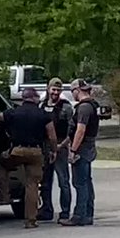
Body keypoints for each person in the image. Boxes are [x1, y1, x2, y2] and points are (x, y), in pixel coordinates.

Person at [0, 87, 56, 229]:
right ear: (34, 98)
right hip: (36, 153)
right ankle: (31, 220)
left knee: (2, 163)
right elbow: (52, 136)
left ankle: (4, 195)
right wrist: (53, 150)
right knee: (32, 185)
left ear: (23, 98)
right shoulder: (43, 114)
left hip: (17, 151)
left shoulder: (13, 112)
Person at [61, 78, 100, 227]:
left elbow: (80, 130)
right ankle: (88, 213)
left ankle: (79, 215)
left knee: (80, 183)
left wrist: (73, 150)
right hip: (89, 147)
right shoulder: (92, 106)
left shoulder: (83, 108)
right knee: (87, 182)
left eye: (73, 92)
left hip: (82, 149)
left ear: (77, 90)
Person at [39, 77, 74, 222]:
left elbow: (72, 130)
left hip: (61, 146)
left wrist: (63, 145)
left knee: (63, 181)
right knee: (45, 181)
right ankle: (46, 210)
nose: (55, 93)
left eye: (58, 90)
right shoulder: (41, 106)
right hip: (45, 147)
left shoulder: (66, 107)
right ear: (48, 89)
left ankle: (65, 211)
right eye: (53, 89)